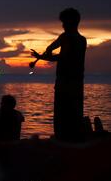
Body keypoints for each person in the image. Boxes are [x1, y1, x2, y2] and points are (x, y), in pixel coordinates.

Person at [31, 8, 87, 142]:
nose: (63, 25)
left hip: (69, 82)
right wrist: (43, 55)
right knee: (68, 112)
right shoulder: (71, 38)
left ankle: (66, 140)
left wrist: (44, 56)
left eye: (65, 22)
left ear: (72, 22)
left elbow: (62, 57)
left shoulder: (74, 39)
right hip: (70, 82)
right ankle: (67, 139)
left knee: (66, 112)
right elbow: (54, 51)